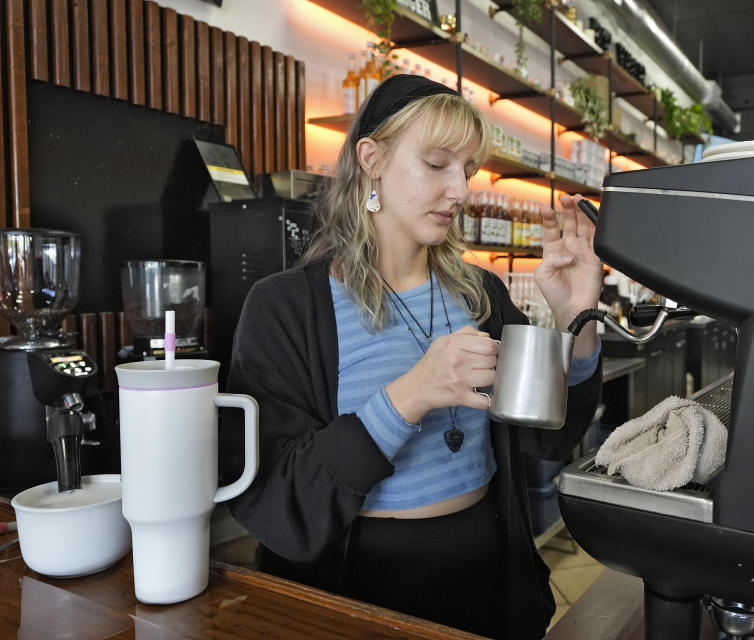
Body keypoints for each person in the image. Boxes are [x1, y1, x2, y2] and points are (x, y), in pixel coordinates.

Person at [221, 74, 603, 639]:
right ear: (371, 158)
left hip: (488, 576)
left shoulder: (480, 294)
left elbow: (549, 436)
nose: (461, 190)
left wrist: (578, 322)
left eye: (467, 169)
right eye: (436, 163)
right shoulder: (286, 308)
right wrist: (411, 395)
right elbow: (279, 500)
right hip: (361, 591)